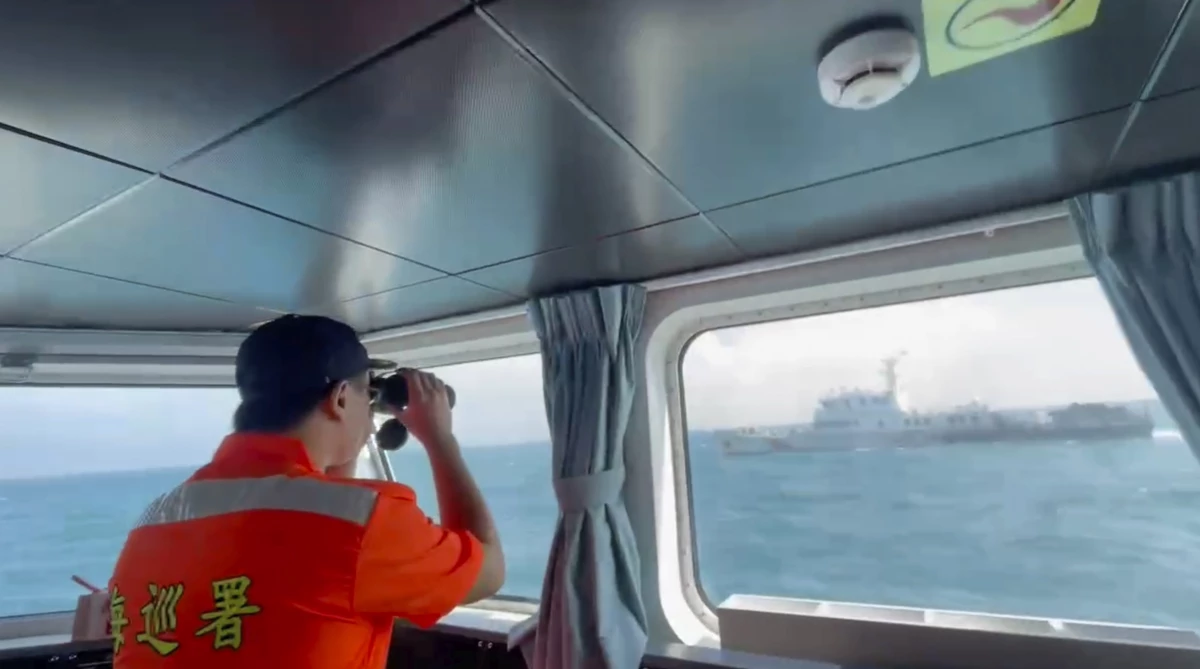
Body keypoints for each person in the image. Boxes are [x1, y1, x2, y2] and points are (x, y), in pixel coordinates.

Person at [107, 314, 505, 668]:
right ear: (340, 398)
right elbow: (487, 571)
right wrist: (440, 439)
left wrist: (344, 439)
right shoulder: (364, 523)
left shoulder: (153, 520)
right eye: (367, 396)